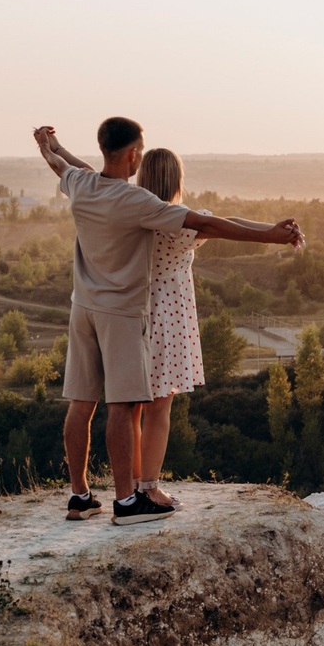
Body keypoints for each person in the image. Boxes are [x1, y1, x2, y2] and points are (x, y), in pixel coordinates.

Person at [31, 119, 300, 521]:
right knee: (124, 407)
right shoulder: (138, 204)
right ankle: (128, 502)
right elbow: (209, 223)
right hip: (120, 312)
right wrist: (270, 236)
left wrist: (49, 144)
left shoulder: (82, 184)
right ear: (132, 155)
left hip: (81, 307)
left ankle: (80, 496)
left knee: (81, 402)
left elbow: (63, 165)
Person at [132, 147, 206, 508]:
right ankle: (149, 488)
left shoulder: (129, 213)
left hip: (131, 313)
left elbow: (88, 177)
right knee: (159, 410)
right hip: (170, 318)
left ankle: (130, 485)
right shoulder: (183, 223)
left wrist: (54, 151)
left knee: (128, 406)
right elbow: (228, 225)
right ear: (176, 180)